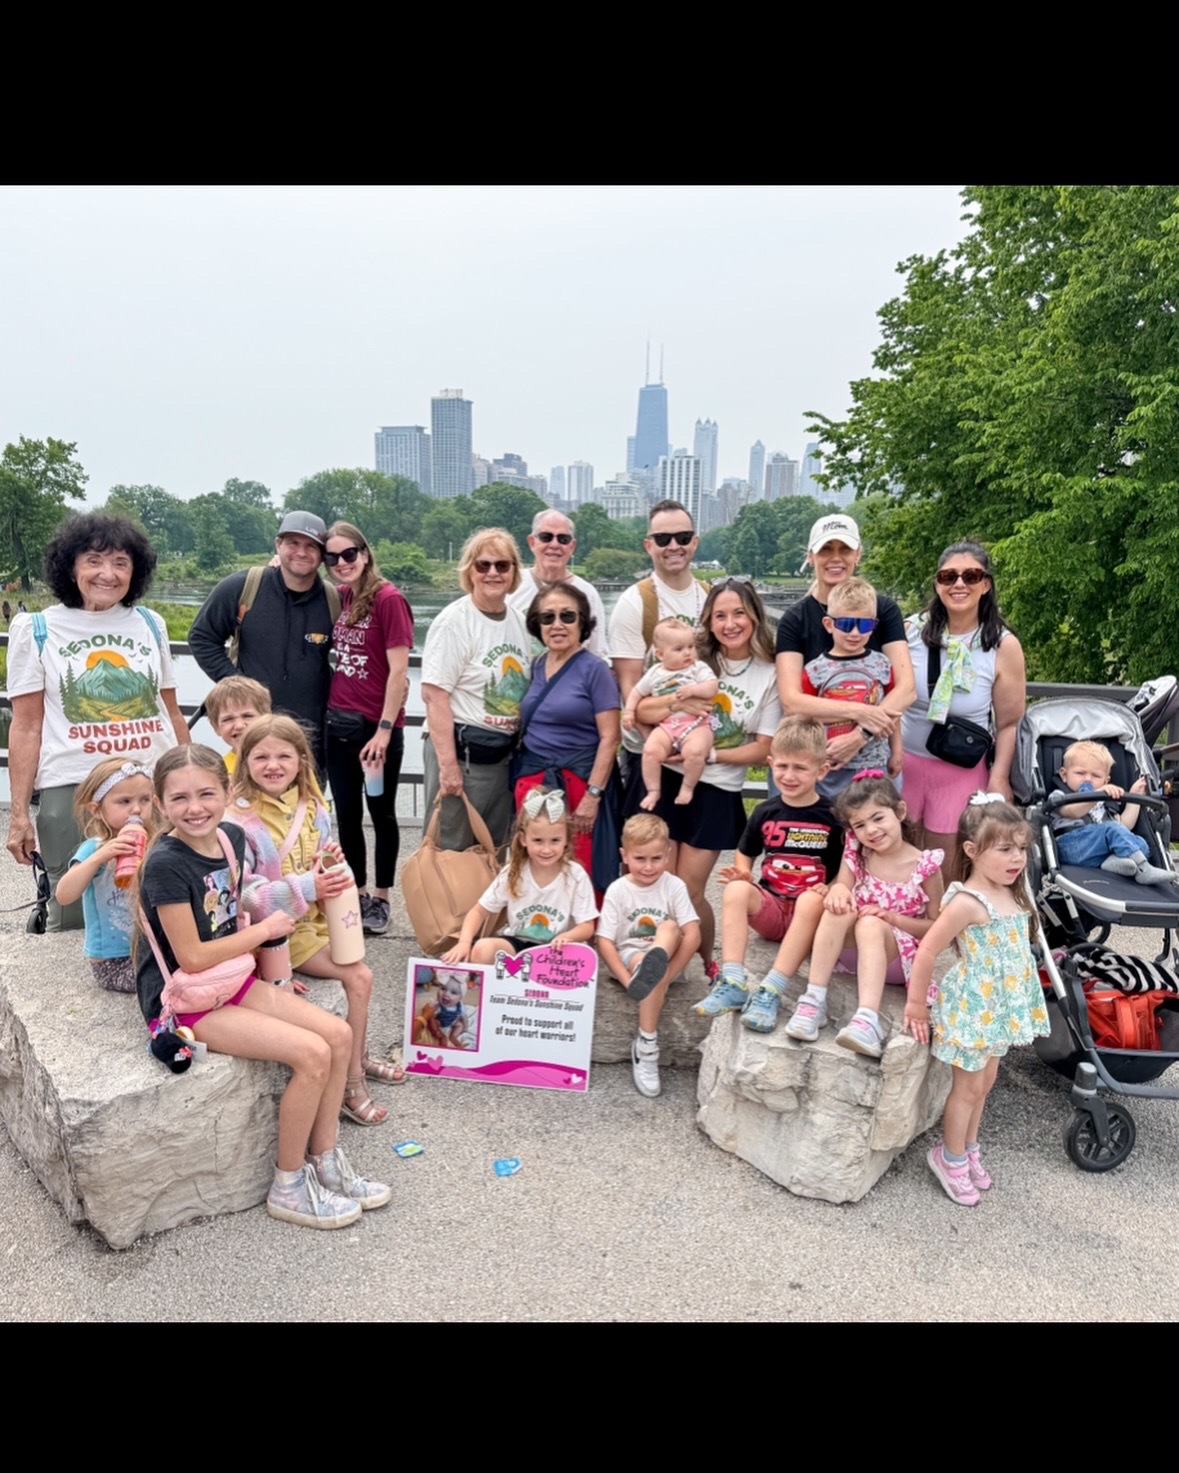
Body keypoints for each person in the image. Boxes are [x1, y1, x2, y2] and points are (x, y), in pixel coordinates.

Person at [135, 745, 391, 1229]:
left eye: (207, 793)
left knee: (337, 1036)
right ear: (159, 802)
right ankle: (288, 1185)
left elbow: (234, 914)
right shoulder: (165, 863)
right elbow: (192, 956)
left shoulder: (230, 838)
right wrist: (266, 931)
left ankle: (326, 1163)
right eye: (180, 798)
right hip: (188, 1000)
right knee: (312, 1054)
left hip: (231, 978)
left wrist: (275, 974)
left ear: (227, 791)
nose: (195, 808)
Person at [5, 512, 188, 930]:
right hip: (74, 786)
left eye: (121, 562)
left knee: (162, 898)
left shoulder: (150, 624)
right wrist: (18, 815)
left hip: (150, 784)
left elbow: (171, 711)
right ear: (70, 567)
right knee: (72, 912)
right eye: (94, 560)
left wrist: (189, 776)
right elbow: (27, 726)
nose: (108, 573)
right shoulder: (37, 629)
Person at [231, 715, 404, 1125]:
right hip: (277, 935)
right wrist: (309, 886)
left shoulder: (313, 807)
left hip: (316, 922)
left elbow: (324, 858)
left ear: (301, 761)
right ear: (244, 762)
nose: (273, 765)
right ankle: (352, 1081)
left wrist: (329, 864)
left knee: (359, 967)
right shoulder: (237, 822)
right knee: (359, 977)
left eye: (284, 756)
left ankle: (357, 1054)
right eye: (261, 757)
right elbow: (245, 896)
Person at [625, 576, 782, 980]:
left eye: (739, 614)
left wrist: (710, 754)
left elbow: (764, 749)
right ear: (708, 621)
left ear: (754, 617)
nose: (730, 624)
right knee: (654, 881)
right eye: (720, 616)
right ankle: (653, 964)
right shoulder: (690, 657)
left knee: (689, 889)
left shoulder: (770, 673)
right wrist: (677, 703)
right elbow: (641, 710)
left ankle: (707, 964)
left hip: (716, 790)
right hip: (664, 779)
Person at [904, 794, 1050, 1207]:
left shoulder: (1012, 893)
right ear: (971, 850)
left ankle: (969, 1149)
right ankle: (948, 1158)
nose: (1016, 857)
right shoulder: (967, 902)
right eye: (1004, 849)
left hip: (999, 1009)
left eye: (1021, 848)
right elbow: (928, 950)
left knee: (984, 1084)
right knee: (967, 1089)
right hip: (975, 1008)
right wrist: (916, 1004)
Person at [696, 716, 843, 1031]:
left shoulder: (833, 816)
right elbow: (745, 851)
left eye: (800, 768)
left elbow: (847, 865)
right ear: (770, 764)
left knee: (810, 899)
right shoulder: (765, 811)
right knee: (735, 890)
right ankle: (733, 981)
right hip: (773, 908)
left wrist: (831, 886)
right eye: (783, 766)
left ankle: (771, 990)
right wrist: (743, 872)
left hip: (811, 916)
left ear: (822, 770)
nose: (789, 775)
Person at [782, 770, 944, 1055]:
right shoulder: (857, 852)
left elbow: (936, 927)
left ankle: (867, 1019)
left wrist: (893, 918)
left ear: (900, 812)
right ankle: (813, 1001)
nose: (870, 830)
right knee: (839, 909)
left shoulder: (925, 865)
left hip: (897, 958)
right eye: (860, 825)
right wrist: (837, 890)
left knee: (869, 923)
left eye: (878, 818)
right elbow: (843, 887)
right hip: (850, 952)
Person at [900, 541, 1027, 872]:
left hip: (960, 771)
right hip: (905, 764)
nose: (959, 584)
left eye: (971, 576)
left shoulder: (1002, 645)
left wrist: (999, 778)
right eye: (948, 576)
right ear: (937, 584)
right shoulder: (910, 632)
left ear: (985, 585)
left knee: (948, 869)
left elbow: (1009, 722)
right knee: (900, 864)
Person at [187, 510, 337, 773]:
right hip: (251, 732)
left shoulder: (334, 600)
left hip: (311, 737)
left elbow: (361, 648)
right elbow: (201, 636)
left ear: (322, 554)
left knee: (307, 798)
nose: (301, 552)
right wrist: (238, 685)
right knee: (249, 797)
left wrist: (394, 676)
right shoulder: (243, 586)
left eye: (311, 546)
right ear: (278, 545)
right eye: (293, 543)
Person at [322, 521, 414, 936]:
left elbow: (399, 672)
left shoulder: (388, 599)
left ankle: (382, 897)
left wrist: (385, 730)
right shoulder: (343, 596)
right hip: (339, 725)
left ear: (365, 553)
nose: (342, 563)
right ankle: (357, 892)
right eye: (332, 557)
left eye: (349, 554)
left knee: (382, 814)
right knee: (346, 815)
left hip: (376, 733)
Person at [775, 512, 914, 785]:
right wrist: (860, 712)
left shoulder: (883, 610)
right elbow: (792, 701)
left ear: (857, 555)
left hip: (872, 761)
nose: (836, 558)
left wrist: (860, 735)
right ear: (811, 557)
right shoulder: (795, 619)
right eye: (826, 549)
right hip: (816, 759)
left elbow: (905, 689)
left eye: (845, 550)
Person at [421, 528, 530, 854]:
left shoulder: (520, 622)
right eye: (483, 565)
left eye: (502, 565)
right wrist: (448, 768)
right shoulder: (454, 622)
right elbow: (434, 696)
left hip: (501, 758)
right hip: (461, 755)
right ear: (470, 571)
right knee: (450, 850)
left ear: (514, 572)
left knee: (492, 850)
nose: (493, 573)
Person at [512, 582, 622, 899]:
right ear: (537, 624)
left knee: (580, 864)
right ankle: (536, 922)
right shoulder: (536, 665)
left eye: (567, 616)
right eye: (547, 617)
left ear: (582, 622)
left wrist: (593, 795)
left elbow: (610, 737)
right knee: (536, 861)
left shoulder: (595, 670)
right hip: (534, 781)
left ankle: (582, 927)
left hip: (580, 782)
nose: (557, 625)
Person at [610, 500, 712, 795]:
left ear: (694, 542)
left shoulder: (711, 598)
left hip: (699, 748)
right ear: (649, 545)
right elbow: (630, 691)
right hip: (650, 753)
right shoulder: (634, 602)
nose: (673, 546)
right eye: (663, 539)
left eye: (682, 537)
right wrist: (656, 741)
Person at [596, 813, 702, 1098]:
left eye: (656, 858)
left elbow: (693, 934)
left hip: (668, 954)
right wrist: (628, 981)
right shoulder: (618, 889)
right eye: (640, 858)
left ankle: (655, 971)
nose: (648, 866)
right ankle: (646, 1045)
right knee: (645, 965)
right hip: (633, 958)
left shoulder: (673, 885)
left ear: (667, 855)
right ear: (624, 855)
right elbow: (604, 941)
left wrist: (665, 976)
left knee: (669, 927)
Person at [440, 788, 598, 965]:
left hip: (558, 949)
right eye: (538, 841)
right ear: (523, 839)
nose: (546, 849)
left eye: (555, 840)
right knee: (482, 949)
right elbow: (478, 911)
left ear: (566, 840)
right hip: (519, 944)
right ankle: (498, 980)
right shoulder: (514, 871)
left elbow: (587, 927)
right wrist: (464, 943)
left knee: (581, 958)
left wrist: (568, 936)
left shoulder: (575, 875)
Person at [54, 757, 156, 993]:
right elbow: (63, 895)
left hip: (151, 949)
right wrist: (98, 858)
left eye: (145, 799)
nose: (137, 809)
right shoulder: (95, 848)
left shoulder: (156, 843)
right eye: (124, 801)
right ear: (97, 810)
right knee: (168, 982)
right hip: (113, 961)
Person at [800, 577, 903, 795]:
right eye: (846, 624)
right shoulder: (814, 670)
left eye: (864, 625)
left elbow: (893, 713)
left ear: (874, 626)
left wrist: (897, 750)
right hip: (828, 766)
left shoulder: (883, 665)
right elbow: (805, 718)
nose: (855, 633)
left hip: (875, 765)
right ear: (829, 624)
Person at [1050, 739, 1178, 886]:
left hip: (1098, 851)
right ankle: (1143, 868)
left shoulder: (1105, 803)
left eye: (1096, 776)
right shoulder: (1060, 795)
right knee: (1110, 829)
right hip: (1070, 847)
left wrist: (1134, 796)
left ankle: (1111, 863)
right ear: (1064, 774)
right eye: (1080, 773)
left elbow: (1123, 826)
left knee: (1140, 842)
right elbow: (1072, 812)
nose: (1088, 779)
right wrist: (1095, 795)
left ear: (1106, 781)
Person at [623, 618, 720, 810]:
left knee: (695, 752)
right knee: (650, 751)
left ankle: (687, 787)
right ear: (660, 654)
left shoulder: (697, 668)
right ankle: (653, 790)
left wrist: (693, 690)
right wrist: (629, 712)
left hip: (697, 724)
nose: (687, 653)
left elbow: (712, 686)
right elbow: (636, 693)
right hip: (667, 725)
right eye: (679, 649)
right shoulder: (655, 673)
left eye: (691, 646)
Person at [508, 508, 609, 663]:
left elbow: (597, 653)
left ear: (572, 546)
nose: (554, 545)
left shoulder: (587, 593)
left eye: (563, 539)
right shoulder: (512, 585)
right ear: (532, 542)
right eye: (546, 537)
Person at [204, 674, 271, 779]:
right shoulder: (219, 773)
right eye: (228, 719)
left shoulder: (288, 761)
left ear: (267, 718)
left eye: (247, 716)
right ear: (216, 727)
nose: (239, 726)